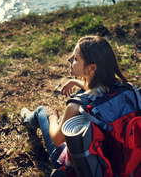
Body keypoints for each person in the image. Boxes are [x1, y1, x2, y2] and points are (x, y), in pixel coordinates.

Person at [20, 35, 128, 170]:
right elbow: (95, 91)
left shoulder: (75, 107)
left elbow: (57, 140)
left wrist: (53, 117)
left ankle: (27, 119)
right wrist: (74, 82)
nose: (69, 59)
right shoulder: (123, 89)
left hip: (78, 167)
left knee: (43, 111)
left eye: (75, 58)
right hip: (114, 163)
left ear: (92, 68)